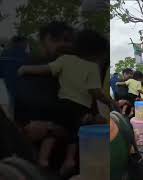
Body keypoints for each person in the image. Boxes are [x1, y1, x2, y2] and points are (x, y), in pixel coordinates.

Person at [18, 29, 109, 176]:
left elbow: (89, 115)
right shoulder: (40, 79)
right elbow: (26, 127)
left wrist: (94, 119)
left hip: (74, 164)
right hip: (43, 166)